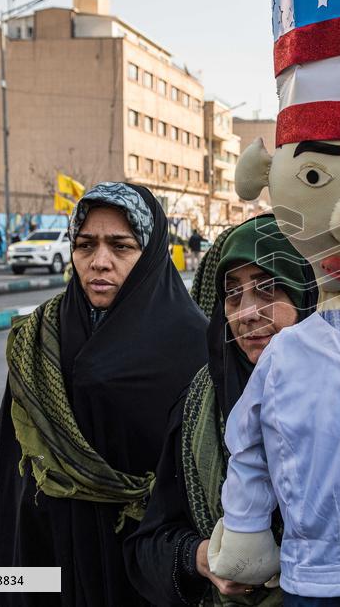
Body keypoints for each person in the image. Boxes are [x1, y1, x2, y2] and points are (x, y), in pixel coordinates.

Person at [0, 182, 208, 606]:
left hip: (139, 561)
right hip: (49, 547)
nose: (99, 262)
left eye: (120, 246)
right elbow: (10, 460)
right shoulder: (43, 334)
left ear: (151, 252)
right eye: (85, 245)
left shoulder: (192, 343)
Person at [125, 215, 317, 606]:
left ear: (308, 296)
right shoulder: (200, 406)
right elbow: (148, 544)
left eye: (269, 289)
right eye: (233, 294)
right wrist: (201, 558)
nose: (247, 313)